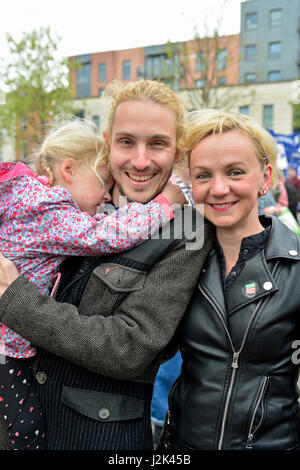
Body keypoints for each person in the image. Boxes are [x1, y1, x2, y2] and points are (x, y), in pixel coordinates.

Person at [0, 79, 213, 450]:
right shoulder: (81, 201)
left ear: (178, 149)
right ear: (107, 141)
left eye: (158, 143)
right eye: (127, 141)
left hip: (96, 436)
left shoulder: (185, 231)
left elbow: (129, 348)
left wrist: (13, 297)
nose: (141, 160)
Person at [158, 109, 300, 451]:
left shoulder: (295, 268)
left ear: (265, 178)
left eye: (235, 172)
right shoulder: (175, 257)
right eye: (203, 175)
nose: (219, 189)